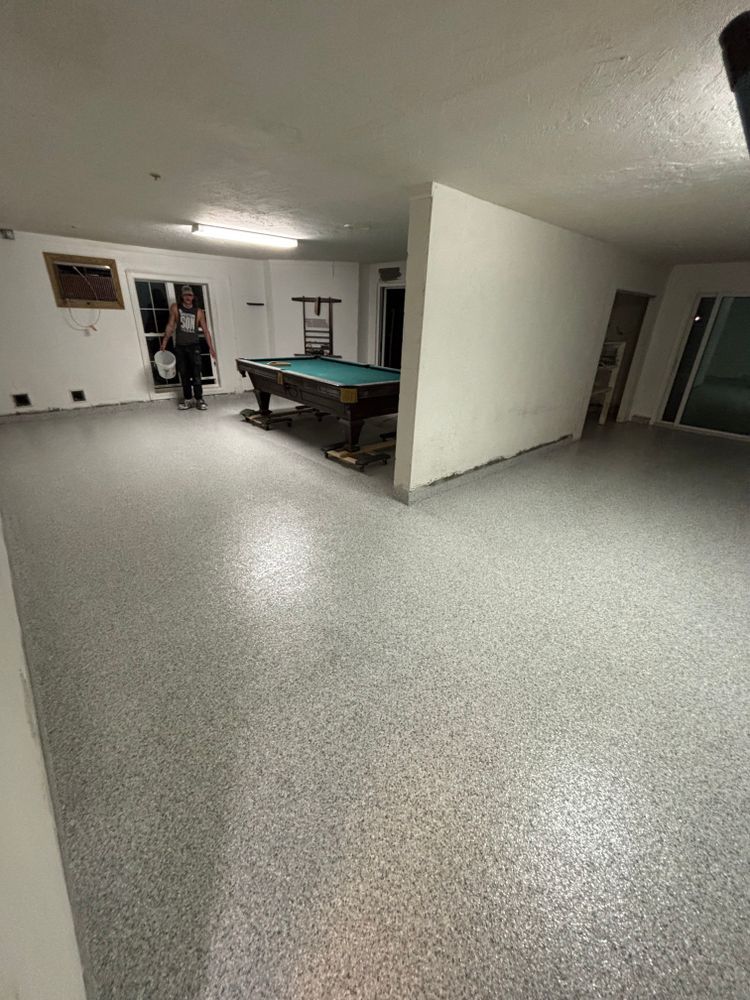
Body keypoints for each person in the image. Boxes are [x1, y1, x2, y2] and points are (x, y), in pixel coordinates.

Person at [160, 286, 216, 410]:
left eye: (190, 295)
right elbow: (170, 326)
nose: (188, 297)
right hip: (180, 347)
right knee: (184, 375)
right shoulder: (175, 308)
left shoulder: (199, 311)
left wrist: (211, 348)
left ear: (193, 297)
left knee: (196, 374)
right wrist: (164, 342)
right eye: (185, 295)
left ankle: (199, 399)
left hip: (194, 346)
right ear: (182, 297)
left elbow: (206, 331)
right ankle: (188, 399)